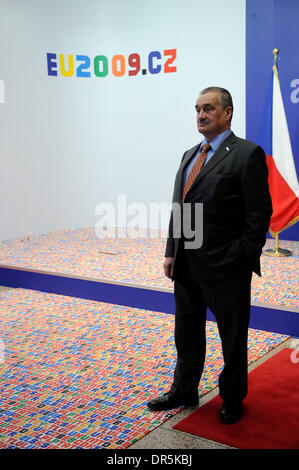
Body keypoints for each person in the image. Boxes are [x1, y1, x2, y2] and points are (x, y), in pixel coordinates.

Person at [147, 87, 272, 424]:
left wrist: (243, 257)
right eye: (197, 109)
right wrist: (172, 252)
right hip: (187, 266)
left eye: (209, 109)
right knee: (186, 332)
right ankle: (184, 389)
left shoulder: (246, 154)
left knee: (232, 338)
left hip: (226, 267)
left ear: (227, 112)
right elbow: (181, 207)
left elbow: (258, 214)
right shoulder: (190, 154)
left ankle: (232, 398)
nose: (201, 115)